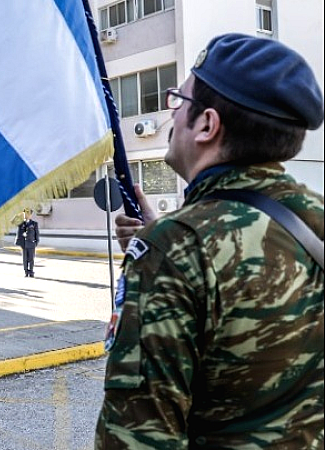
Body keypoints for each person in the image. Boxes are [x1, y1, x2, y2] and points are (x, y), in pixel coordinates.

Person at [96, 34, 324, 449]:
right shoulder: (316, 216)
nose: (171, 117)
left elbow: (138, 437)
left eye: (177, 102)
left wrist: (171, 243)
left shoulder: (174, 251)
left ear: (207, 125)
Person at [15, 208, 39, 277]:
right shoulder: (21, 223)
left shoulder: (34, 224)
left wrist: (36, 243)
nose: (27, 215)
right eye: (25, 213)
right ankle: (26, 271)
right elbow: (14, 221)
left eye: (28, 213)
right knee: (25, 259)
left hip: (31, 244)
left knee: (31, 259)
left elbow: (37, 234)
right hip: (24, 244)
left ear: (31, 214)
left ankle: (31, 271)